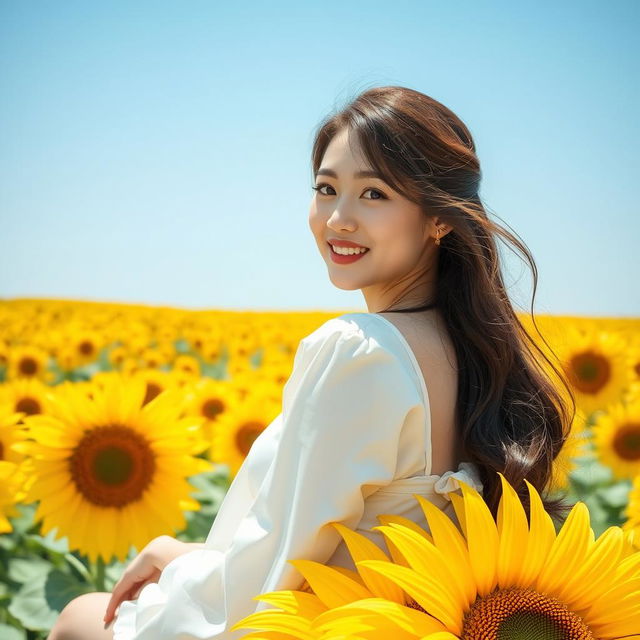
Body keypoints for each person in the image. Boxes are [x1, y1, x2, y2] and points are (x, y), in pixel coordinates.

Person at [47, 85, 574, 640]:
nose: (338, 218)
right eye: (327, 188)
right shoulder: (474, 351)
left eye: (374, 194)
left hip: (315, 626)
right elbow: (348, 540)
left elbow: (273, 584)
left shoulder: (361, 349)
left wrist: (177, 561)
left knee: (80, 616)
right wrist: (185, 551)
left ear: (440, 220)